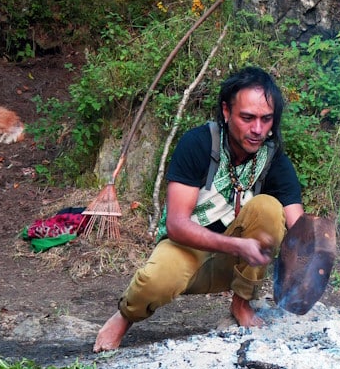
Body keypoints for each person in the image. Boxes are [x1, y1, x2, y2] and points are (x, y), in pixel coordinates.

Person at [93, 67, 304, 352]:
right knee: (155, 280)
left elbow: (298, 226)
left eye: (266, 120)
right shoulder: (199, 144)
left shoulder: (273, 158)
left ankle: (241, 304)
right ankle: (124, 317)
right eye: (247, 118)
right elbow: (177, 225)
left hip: (233, 265)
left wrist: (309, 255)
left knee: (268, 208)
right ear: (227, 111)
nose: (257, 130)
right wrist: (236, 245)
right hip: (188, 250)